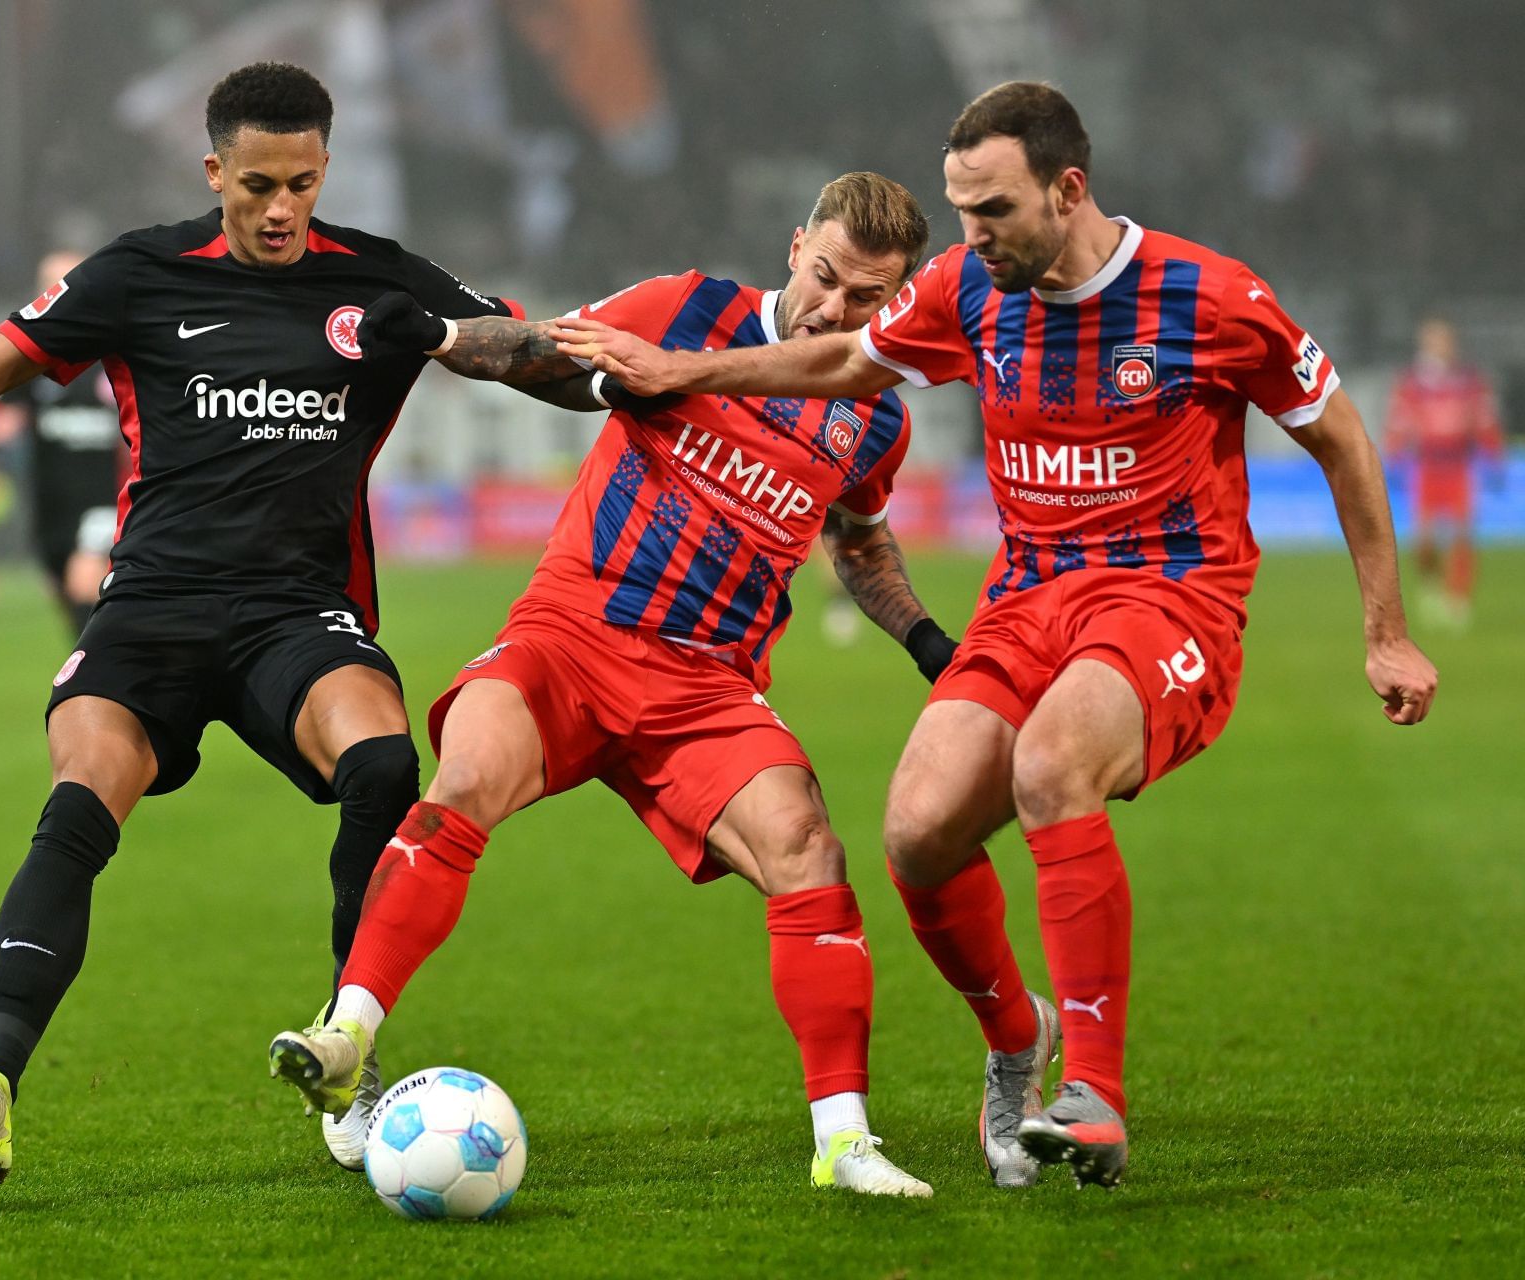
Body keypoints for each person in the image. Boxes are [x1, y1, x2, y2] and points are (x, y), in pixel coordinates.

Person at [0, 62, 572, 1184]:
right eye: (256, 182)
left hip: (297, 612)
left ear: (326, 170)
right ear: (214, 171)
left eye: (302, 182)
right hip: (150, 609)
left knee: (386, 763)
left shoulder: (379, 278)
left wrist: (448, 338)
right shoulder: (139, 273)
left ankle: (348, 1053)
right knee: (77, 802)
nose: (280, 208)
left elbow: (543, 357)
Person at [550, 82, 1438, 1189]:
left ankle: (1097, 1093)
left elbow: (1344, 440)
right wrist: (685, 370)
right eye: (961, 208)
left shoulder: (1211, 298)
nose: (970, 237)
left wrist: (1386, 632)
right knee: (917, 830)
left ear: (1069, 191)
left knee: (1051, 762)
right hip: (1028, 601)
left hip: (1168, 600)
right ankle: (1017, 1041)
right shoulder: (970, 287)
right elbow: (839, 361)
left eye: (994, 211)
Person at [268, 173, 960, 1197]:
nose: (834, 312)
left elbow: (857, 541)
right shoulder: (686, 310)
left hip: (706, 687)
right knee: (463, 778)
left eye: (866, 299)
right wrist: (442, 338)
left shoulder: (870, 413)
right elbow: (543, 348)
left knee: (808, 847)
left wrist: (926, 639)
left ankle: (844, 1141)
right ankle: (344, 1040)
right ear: (794, 245)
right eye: (825, 279)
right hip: (573, 636)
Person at [0, 250, 128, 638]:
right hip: (51, 507)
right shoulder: (31, 365)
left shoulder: (116, 353)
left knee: (85, 585)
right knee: (69, 601)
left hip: (106, 500)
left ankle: (98, 685)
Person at [1384, 317, 1505, 630]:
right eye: (1432, 340)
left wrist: (1493, 455)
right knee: (1423, 542)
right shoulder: (1412, 384)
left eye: (1443, 340)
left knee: (1463, 536)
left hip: (1458, 465)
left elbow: (1484, 420)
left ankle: (1458, 599)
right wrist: (1394, 454)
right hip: (1426, 467)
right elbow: (1400, 421)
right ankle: (1432, 585)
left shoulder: (1469, 382)